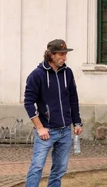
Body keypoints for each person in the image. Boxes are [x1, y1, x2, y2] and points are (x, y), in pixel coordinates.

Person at [23, 39, 83, 187]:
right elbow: (28, 103)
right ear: (51, 55)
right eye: (61, 54)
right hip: (46, 131)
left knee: (60, 169)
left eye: (65, 54)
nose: (65, 57)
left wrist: (77, 122)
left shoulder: (67, 73)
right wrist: (40, 127)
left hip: (65, 130)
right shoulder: (36, 75)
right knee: (37, 167)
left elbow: (73, 99)